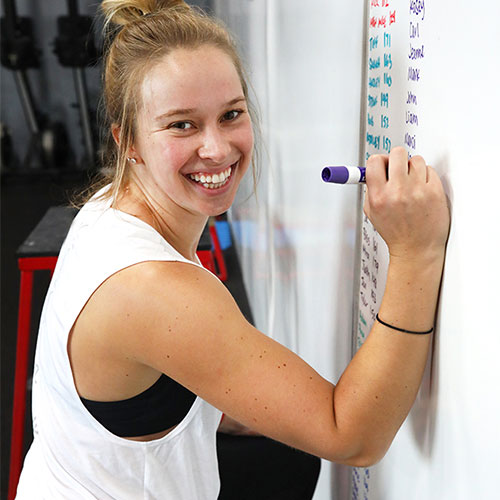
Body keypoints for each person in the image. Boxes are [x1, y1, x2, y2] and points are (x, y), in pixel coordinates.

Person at [15, 0, 450, 498]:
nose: (217, 148)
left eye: (231, 115)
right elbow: (353, 437)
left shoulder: (108, 209)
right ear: (126, 142)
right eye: (182, 124)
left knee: (283, 456)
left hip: (63, 474)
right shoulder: (155, 289)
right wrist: (417, 252)